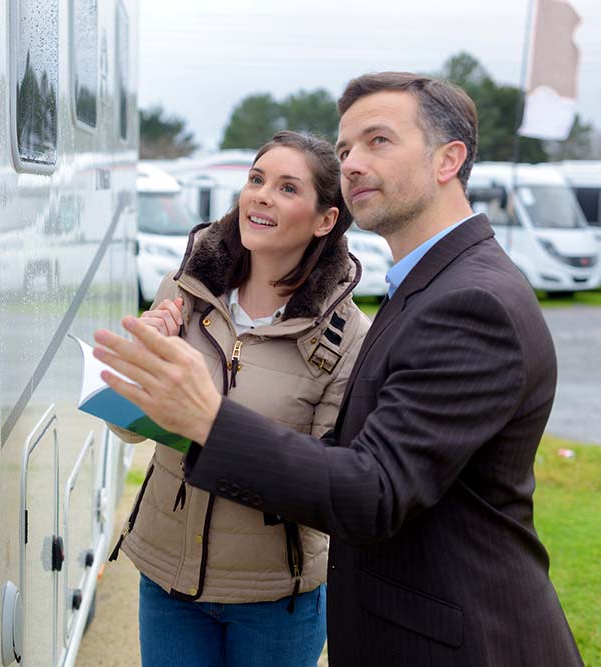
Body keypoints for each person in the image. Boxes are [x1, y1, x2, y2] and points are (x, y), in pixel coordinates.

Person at [94, 73, 583, 666]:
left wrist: (207, 418)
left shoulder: (467, 302)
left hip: (446, 639)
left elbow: (371, 491)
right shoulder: (420, 286)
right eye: (347, 147)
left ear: (448, 159)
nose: (352, 162)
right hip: (176, 577)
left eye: (379, 141)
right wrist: (147, 380)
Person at [109, 131, 369, 667]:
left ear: (325, 220)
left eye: (287, 187)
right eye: (256, 179)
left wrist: (207, 417)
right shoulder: (182, 290)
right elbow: (129, 429)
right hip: (167, 581)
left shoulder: (348, 336)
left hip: (275, 598)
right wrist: (147, 357)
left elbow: (324, 483)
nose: (261, 196)